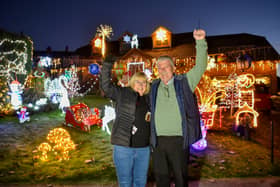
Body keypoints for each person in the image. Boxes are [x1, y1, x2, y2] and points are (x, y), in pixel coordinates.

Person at [150, 29, 208, 187]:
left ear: (173, 68)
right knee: (161, 180)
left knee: (180, 179)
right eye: (159, 68)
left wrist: (201, 42)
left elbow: (200, 66)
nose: (162, 70)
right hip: (158, 142)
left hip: (178, 140)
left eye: (165, 67)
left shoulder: (184, 82)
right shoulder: (153, 86)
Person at [100, 59, 151, 187]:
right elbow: (106, 87)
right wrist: (107, 66)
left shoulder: (150, 98)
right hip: (124, 147)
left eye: (144, 82)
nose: (141, 85)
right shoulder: (122, 93)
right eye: (138, 82)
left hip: (143, 149)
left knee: (140, 182)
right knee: (125, 182)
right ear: (132, 83)